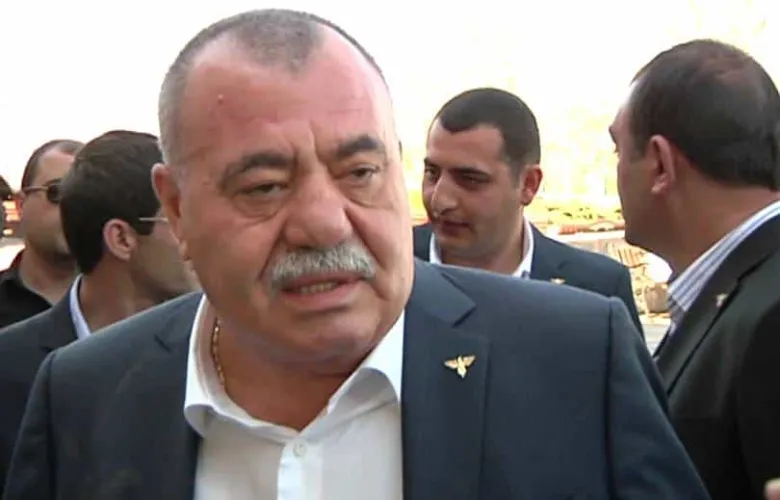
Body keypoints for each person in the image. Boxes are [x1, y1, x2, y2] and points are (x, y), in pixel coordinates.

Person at [4, 9, 708, 500]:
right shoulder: (82, 398)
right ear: (178, 208)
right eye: (265, 186)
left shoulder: (576, 359)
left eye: (360, 172)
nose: (322, 223)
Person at [610, 39, 780, 500]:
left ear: (660, 164)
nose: (616, 172)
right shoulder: (742, 292)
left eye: (618, 151)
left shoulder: (771, 317)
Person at [0, 130, 198, 489]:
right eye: (175, 219)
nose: (196, 238)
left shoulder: (214, 350)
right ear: (121, 238)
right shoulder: (9, 365)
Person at [415, 88, 642, 333]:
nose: (440, 200)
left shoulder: (598, 289)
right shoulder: (390, 268)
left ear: (528, 184)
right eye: (432, 173)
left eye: (469, 179)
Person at [0, 140, 81, 328]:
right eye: (56, 192)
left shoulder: (126, 306)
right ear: (21, 204)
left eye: (86, 196)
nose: (73, 207)